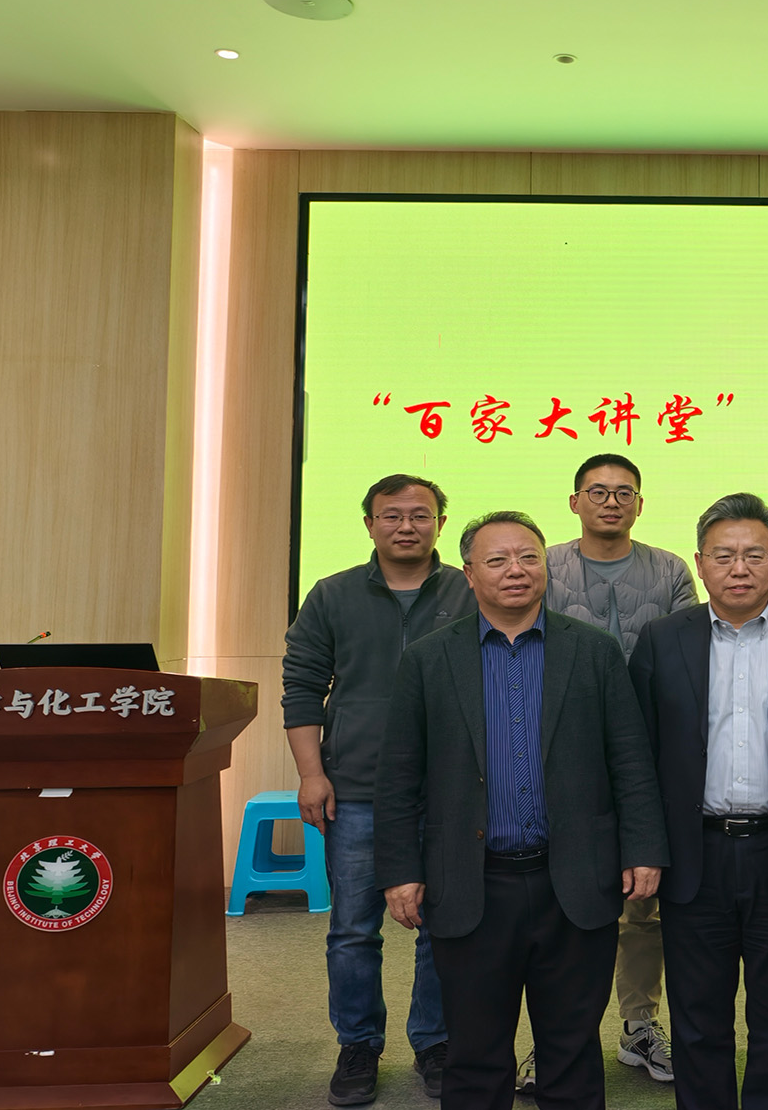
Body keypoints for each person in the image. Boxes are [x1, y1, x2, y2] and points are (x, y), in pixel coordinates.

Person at [375, 511, 669, 1110]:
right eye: (497, 560)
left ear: (545, 566)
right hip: (472, 883)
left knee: (572, 1047)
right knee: (476, 1051)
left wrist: (643, 849)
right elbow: (400, 777)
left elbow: (630, 761)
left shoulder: (593, 651)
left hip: (574, 879)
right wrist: (400, 870)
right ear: (469, 574)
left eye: (529, 557)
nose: (516, 570)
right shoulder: (430, 659)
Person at [629, 493, 768, 1110]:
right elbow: (638, 756)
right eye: (724, 555)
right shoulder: (661, 640)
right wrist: (643, 847)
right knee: (698, 1017)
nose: (739, 568)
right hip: (692, 853)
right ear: (700, 564)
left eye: (755, 555)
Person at [282, 473, 476, 1105]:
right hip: (356, 788)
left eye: (420, 515)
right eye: (392, 515)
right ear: (369, 524)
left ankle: (436, 1042)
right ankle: (358, 1045)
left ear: (440, 524)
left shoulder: (470, 589)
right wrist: (312, 773)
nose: (406, 526)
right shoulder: (332, 594)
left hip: (450, 791)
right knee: (352, 930)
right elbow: (302, 688)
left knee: (443, 928)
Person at [541, 452, 696, 1088]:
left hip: (648, 754)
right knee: (557, 904)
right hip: (560, 753)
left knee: (642, 905)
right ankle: (553, 1041)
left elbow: (688, 654)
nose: (611, 501)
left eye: (623, 492)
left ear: (640, 503)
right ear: (574, 501)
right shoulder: (544, 565)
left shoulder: (671, 569)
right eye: (597, 491)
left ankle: (639, 1025)